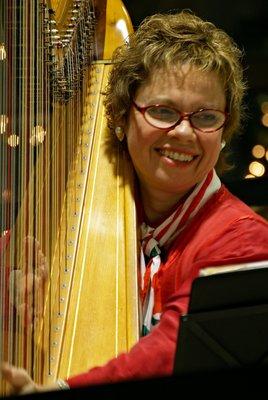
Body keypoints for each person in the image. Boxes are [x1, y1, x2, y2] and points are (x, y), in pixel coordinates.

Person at [1, 9, 268, 395]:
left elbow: (170, 349)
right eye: (162, 111)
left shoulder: (246, 243)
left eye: (206, 117)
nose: (183, 132)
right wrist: (12, 284)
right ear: (122, 118)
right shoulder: (83, 215)